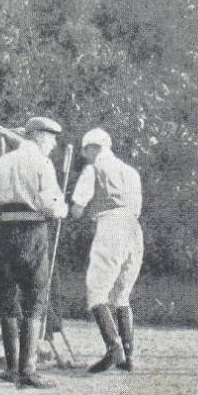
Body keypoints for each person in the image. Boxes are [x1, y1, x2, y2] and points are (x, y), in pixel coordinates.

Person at [0, 116, 68, 388]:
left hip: (4, 234)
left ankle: (11, 367)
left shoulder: (2, 162)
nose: (54, 143)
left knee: (6, 297)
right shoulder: (42, 163)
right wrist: (63, 209)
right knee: (35, 297)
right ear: (37, 136)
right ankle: (27, 370)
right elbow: (51, 206)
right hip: (32, 233)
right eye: (51, 137)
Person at [69, 128, 144, 373]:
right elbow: (136, 207)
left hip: (111, 227)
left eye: (85, 150)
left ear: (93, 148)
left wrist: (70, 207)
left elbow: (77, 208)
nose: (84, 156)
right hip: (133, 228)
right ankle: (127, 355)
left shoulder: (93, 170)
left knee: (96, 293)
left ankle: (114, 348)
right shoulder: (131, 172)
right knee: (121, 295)